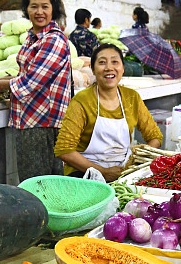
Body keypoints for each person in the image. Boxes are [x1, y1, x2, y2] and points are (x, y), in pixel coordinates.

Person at [0, 0, 71, 182]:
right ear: (26, 9)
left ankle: (44, 215)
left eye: (45, 7)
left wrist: (0, 85)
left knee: (39, 184)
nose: (39, 12)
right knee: (36, 181)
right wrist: (2, 78)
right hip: (30, 120)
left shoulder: (53, 39)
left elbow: (33, 82)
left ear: (53, 9)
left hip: (42, 123)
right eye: (33, 6)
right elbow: (28, 74)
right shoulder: (33, 38)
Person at [54, 44, 162, 181]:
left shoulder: (131, 97)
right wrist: (103, 172)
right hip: (85, 175)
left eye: (115, 62)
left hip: (123, 172)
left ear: (122, 68)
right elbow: (64, 150)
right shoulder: (82, 101)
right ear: (92, 69)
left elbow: (155, 137)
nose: (109, 68)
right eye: (102, 62)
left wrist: (136, 162)